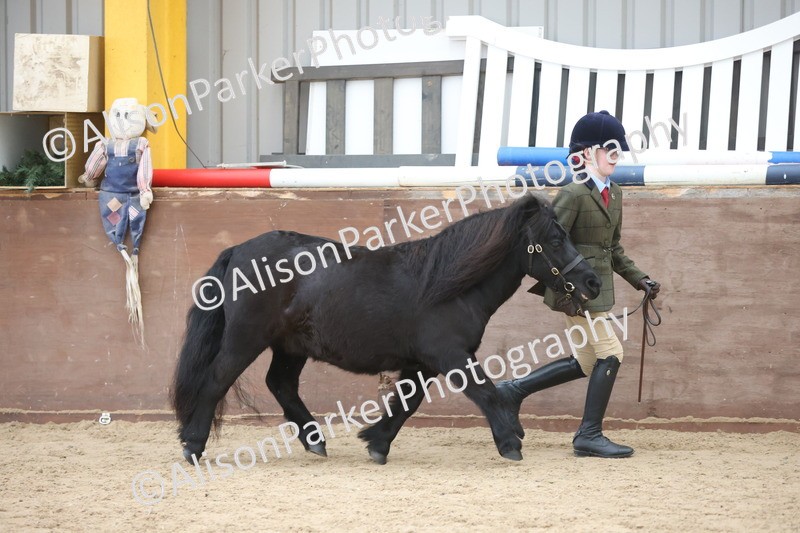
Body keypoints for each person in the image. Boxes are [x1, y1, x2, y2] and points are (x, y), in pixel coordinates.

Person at [497, 110, 660, 458]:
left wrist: (639, 279)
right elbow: (549, 244)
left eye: (618, 152)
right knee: (612, 354)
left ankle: (513, 391)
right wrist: (562, 288)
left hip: (598, 292)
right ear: (587, 154)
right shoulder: (572, 194)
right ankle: (588, 434)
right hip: (576, 294)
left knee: (587, 361)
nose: (616, 158)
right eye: (609, 150)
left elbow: (612, 248)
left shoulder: (614, 194)